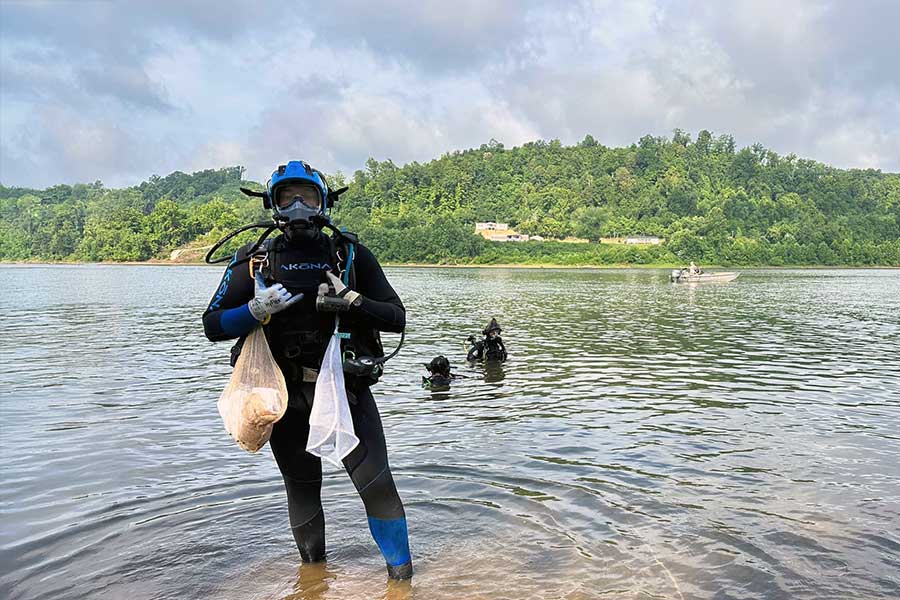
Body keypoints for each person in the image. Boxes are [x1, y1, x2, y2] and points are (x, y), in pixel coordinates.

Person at [202, 160, 413, 580]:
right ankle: (313, 582)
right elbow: (212, 324)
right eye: (287, 197)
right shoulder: (254, 260)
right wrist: (253, 310)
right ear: (272, 204)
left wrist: (353, 301)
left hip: (345, 391)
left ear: (324, 203)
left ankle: (402, 580)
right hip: (284, 396)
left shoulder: (349, 254)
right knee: (301, 490)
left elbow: (396, 317)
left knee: (377, 486)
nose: (298, 205)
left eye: (307, 196)